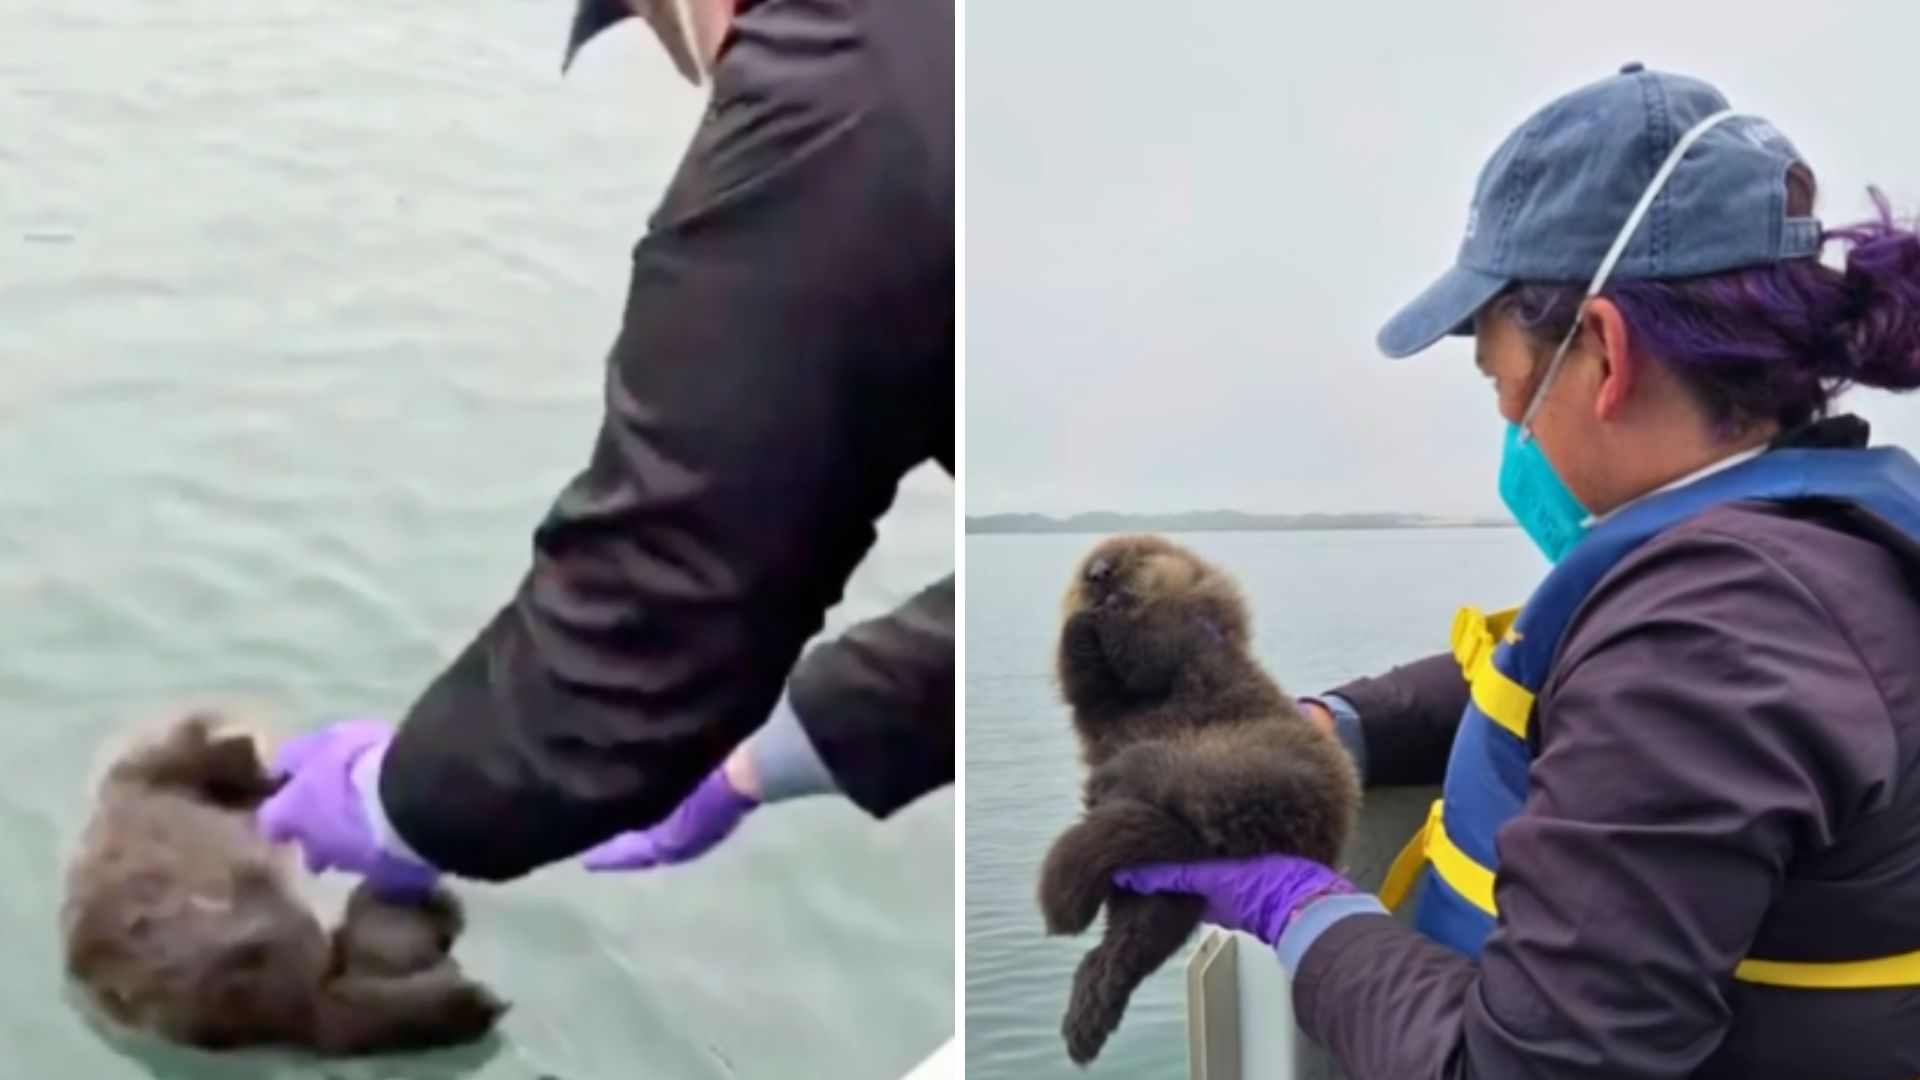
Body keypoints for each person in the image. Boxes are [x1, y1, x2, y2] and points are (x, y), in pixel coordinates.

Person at [1116, 63, 1920, 1079]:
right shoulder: (1790, 559)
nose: (1504, 418)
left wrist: (1297, 906)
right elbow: (1560, 680)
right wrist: (1328, 729)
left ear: (1603, 349)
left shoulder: (1715, 636)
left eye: (1499, 375)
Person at [258, 0, 954, 893]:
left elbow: (661, 596)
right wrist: (778, 754)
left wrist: (397, 806)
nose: (716, 85)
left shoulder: (844, 88)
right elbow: (1120, 577)